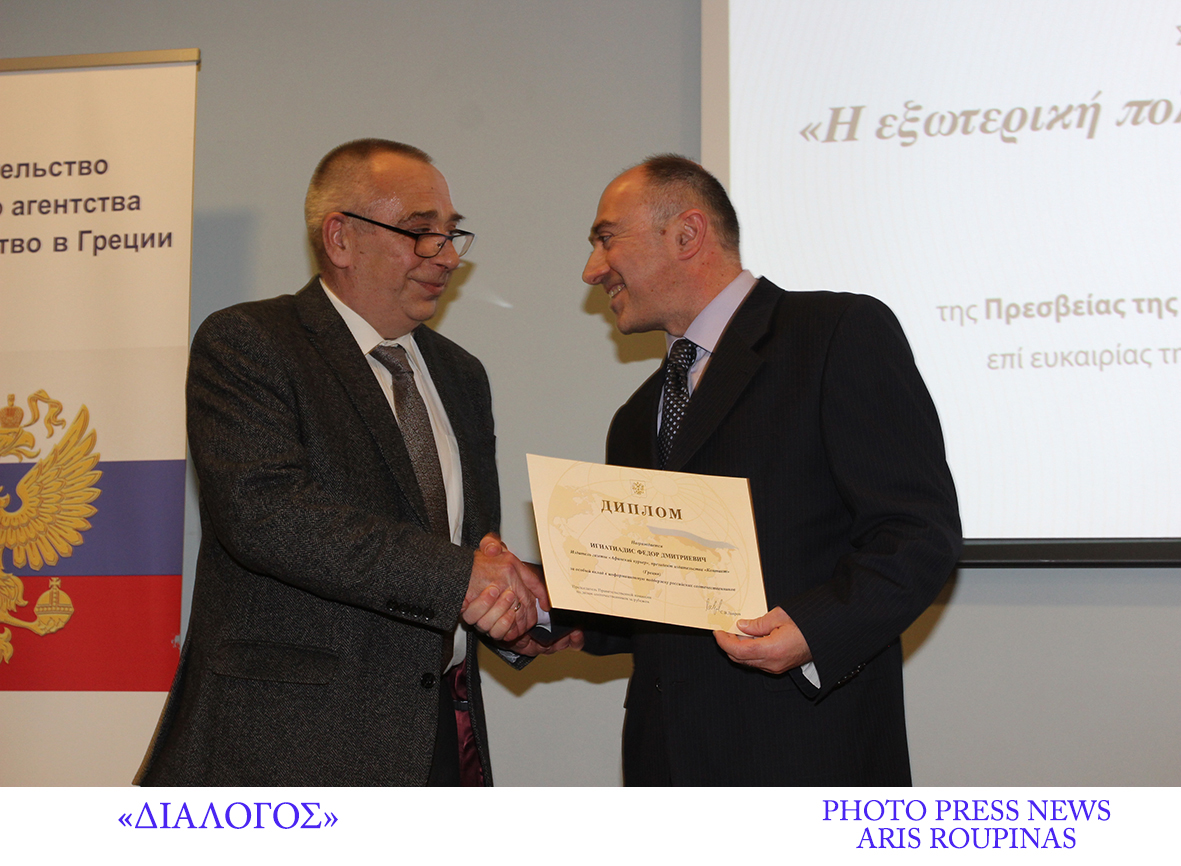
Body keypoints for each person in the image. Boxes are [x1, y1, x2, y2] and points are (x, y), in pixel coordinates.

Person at [136, 139, 550, 786]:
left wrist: (523, 616)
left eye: (451, 234)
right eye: (421, 232)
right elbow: (267, 516)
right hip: (288, 745)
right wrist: (465, 576)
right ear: (340, 238)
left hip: (434, 737)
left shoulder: (461, 375)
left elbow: (465, 551)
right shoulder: (250, 343)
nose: (446, 256)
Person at [579, 154, 962, 785]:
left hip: (807, 757)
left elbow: (918, 532)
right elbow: (655, 589)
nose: (592, 269)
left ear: (686, 234)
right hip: (666, 768)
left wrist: (815, 628)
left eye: (605, 238)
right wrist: (546, 608)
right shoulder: (637, 415)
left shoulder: (836, 333)